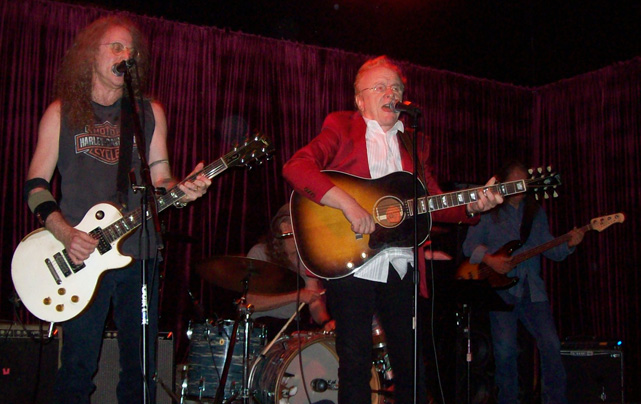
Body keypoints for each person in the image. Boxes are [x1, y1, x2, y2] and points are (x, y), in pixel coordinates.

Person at [282, 55, 503, 404]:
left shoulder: (415, 142)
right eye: (381, 86)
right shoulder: (341, 126)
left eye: (396, 87)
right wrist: (347, 202)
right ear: (360, 100)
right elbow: (297, 167)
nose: (391, 93)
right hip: (351, 259)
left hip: (400, 263)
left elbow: (432, 200)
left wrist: (472, 206)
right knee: (355, 361)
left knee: (411, 362)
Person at [23, 16, 210, 404]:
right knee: (77, 366)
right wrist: (64, 233)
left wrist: (184, 191)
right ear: (92, 55)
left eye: (132, 50)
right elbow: (35, 184)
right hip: (81, 254)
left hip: (138, 251)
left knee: (141, 370)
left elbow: (161, 178)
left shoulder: (147, 113)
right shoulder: (62, 112)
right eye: (117, 47)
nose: (127, 56)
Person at [462, 160, 585, 404]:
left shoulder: (535, 213)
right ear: (503, 184)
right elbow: (468, 247)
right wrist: (491, 260)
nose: (521, 187)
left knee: (551, 345)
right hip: (501, 291)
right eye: (515, 182)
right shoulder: (489, 212)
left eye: (524, 182)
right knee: (505, 351)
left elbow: (551, 248)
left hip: (533, 290)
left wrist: (570, 243)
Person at [246, 203, 335, 338]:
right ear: (285, 227)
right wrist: (297, 296)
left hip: (290, 329)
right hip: (260, 328)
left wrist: (326, 321)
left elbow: (314, 300)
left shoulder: (306, 260)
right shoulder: (260, 253)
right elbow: (252, 303)